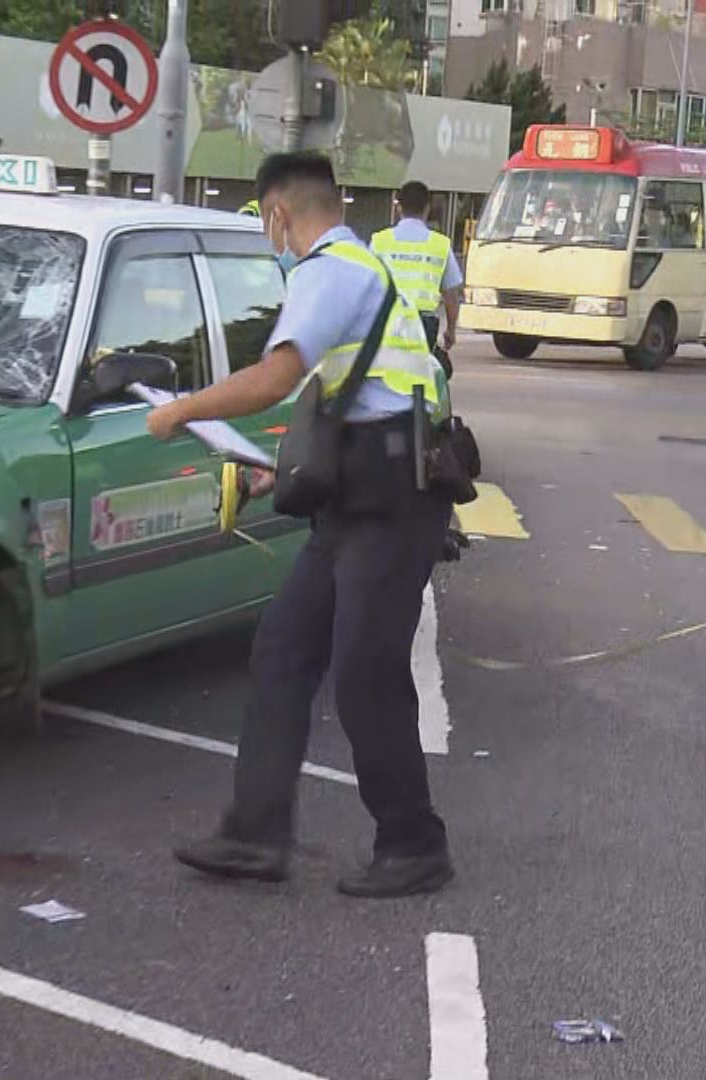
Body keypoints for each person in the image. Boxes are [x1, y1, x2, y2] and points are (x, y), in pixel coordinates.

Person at [145, 152, 456, 899]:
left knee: (363, 674)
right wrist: (277, 473)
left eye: (265, 224)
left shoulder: (331, 270)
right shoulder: (348, 270)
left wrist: (181, 409)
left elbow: (278, 379)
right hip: (358, 495)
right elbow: (342, 402)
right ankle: (255, 834)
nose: (269, 238)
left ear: (280, 213)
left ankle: (414, 842)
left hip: (392, 505)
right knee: (283, 647)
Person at [370, 180, 464, 363]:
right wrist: (450, 331)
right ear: (428, 209)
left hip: (386, 321)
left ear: (399, 208)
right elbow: (451, 296)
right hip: (424, 325)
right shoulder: (441, 245)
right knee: (420, 375)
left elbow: (366, 287)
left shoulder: (379, 242)